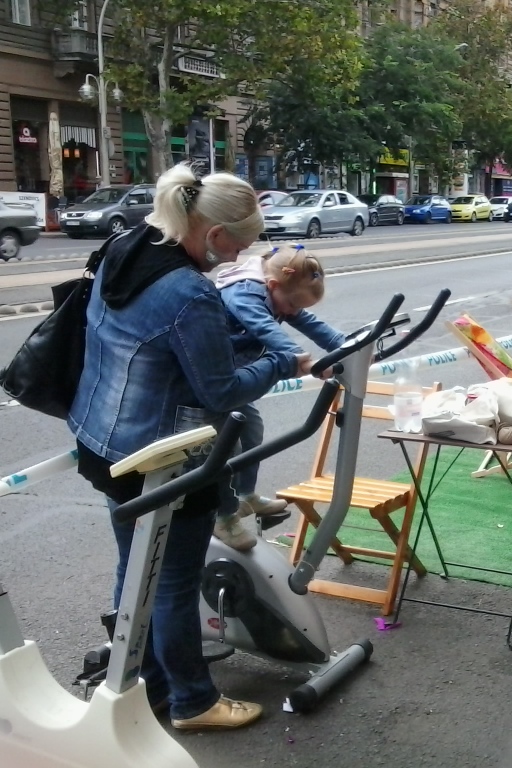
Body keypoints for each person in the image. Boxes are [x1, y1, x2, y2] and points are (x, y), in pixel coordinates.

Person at [68, 164, 311, 731]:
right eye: (239, 247)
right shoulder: (190, 290)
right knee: (173, 580)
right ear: (214, 233)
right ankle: (193, 702)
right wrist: (278, 361)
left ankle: (142, 683)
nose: (235, 260)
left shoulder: (127, 245)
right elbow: (220, 389)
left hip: (104, 441)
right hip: (165, 455)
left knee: (136, 572)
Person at [209, 244, 347, 550]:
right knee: (225, 448)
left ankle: (246, 496)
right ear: (272, 286)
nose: (292, 313)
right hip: (214, 379)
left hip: (238, 378)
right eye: (291, 305)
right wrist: (301, 359)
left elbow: (309, 323)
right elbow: (264, 327)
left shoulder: (279, 293)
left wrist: (347, 344)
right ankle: (224, 517)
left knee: (252, 430)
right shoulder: (243, 292)